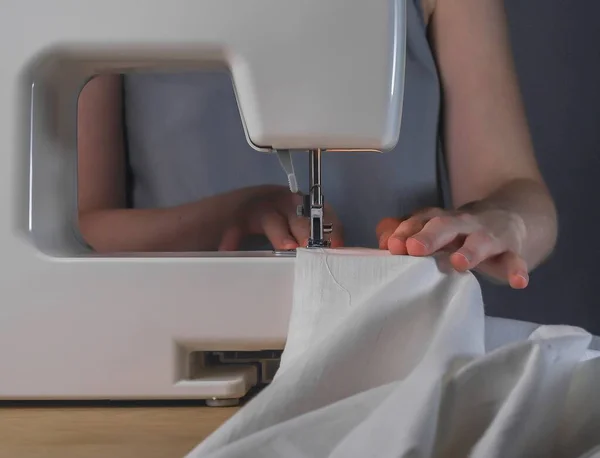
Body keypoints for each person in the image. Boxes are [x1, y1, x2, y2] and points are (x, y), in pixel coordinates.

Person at [77, 0, 557, 291]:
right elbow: (77, 228)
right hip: (157, 336)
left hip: (392, 348)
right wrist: (227, 216)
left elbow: (516, 191)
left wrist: (502, 222)